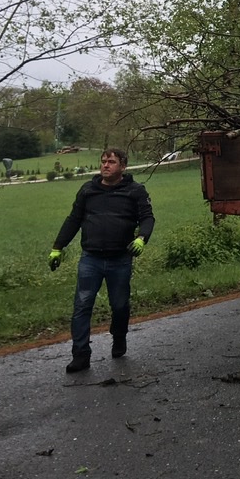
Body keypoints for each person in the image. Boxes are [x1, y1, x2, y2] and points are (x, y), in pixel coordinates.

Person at [49, 148, 155, 372]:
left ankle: (119, 336)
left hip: (120, 259)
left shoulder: (135, 191)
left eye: (112, 162)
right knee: (82, 305)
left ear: (123, 167)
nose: (106, 165)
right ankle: (80, 355)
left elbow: (147, 217)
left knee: (119, 305)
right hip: (91, 259)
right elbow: (73, 220)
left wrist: (142, 238)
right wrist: (57, 247)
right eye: (104, 161)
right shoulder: (88, 190)